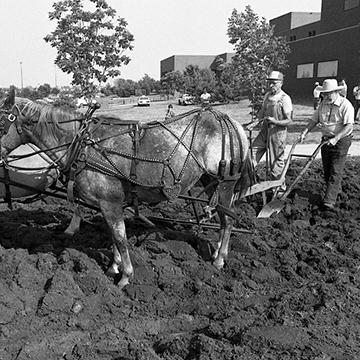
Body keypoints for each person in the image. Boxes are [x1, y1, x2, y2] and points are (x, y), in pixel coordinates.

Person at [300, 78, 354, 210]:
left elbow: (348, 126)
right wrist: (305, 132)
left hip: (341, 140)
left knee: (336, 170)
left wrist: (336, 138)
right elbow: (314, 120)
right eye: (325, 93)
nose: (326, 95)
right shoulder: (323, 104)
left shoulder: (345, 105)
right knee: (327, 170)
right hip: (325, 140)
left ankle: (329, 201)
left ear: (336, 92)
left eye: (329, 93)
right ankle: (335, 192)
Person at [250, 71, 293, 190]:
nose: (270, 86)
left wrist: (275, 121)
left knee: (275, 163)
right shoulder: (267, 96)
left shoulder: (285, 99)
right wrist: (255, 122)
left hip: (277, 134)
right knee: (252, 154)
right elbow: (262, 112)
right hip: (265, 131)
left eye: (274, 83)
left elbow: (289, 121)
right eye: (269, 83)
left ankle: (278, 188)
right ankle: (248, 179)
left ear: (281, 83)